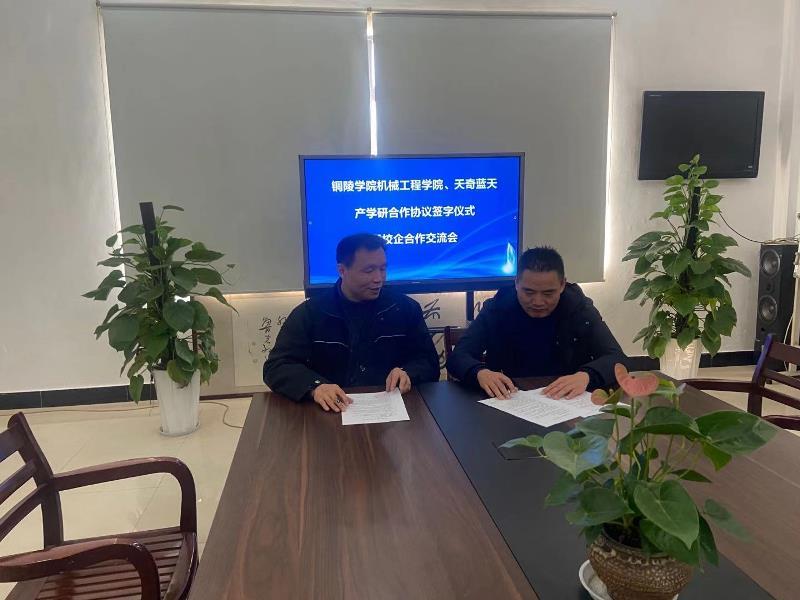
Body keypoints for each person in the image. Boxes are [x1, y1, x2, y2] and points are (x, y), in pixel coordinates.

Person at [264, 233, 440, 412]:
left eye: (382, 268)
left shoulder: (404, 308)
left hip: (393, 412)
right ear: (342, 270)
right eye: (369, 270)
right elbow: (277, 366)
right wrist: (315, 386)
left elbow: (429, 362)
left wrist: (408, 373)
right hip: (329, 413)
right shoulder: (311, 312)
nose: (378, 278)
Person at [446, 246, 626, 400]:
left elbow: (617, 358)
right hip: (510, 400)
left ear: (562, 285)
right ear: (517, 283)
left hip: (567, 401)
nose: (538, 302)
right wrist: (479, 372)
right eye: (529, 292)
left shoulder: (579, 309)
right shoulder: (498, 308)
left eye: (548, 293)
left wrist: (586, 376)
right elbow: (458, 356)